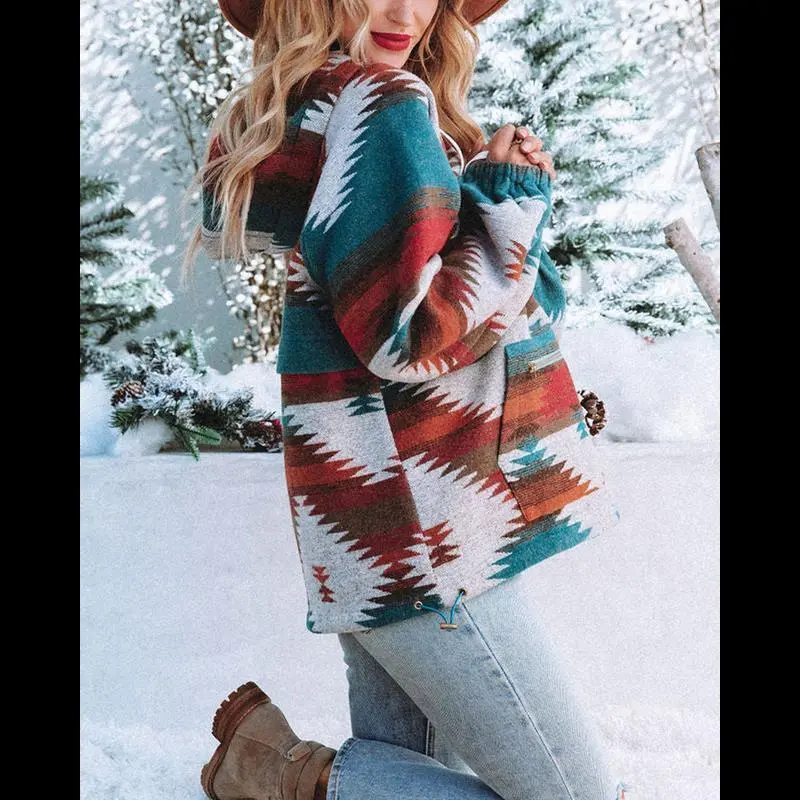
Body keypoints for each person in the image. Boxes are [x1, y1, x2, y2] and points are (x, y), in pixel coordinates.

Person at [181, 1, 628, 798]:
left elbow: (500, 311)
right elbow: (411, 337)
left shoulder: (322, 114)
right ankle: (285, 773)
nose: (403, 10)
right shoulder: (382, 106)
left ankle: (285, 770)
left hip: (369, 521)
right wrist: (510, 208)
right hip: (433, 524)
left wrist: (498, 201)